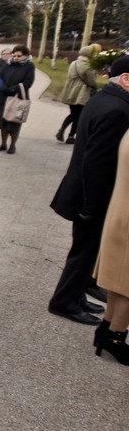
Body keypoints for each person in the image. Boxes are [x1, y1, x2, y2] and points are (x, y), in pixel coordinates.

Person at [48, 56, 129, 325]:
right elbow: (98, 163)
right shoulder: (118, 110)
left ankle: (78, 295)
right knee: (83, 253)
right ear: (126, 79)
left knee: (85, 251)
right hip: (91, 198)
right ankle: (65, 302)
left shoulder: (104, 99)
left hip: (84, 194)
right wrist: (91, 207)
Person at [93, 129, 129, 366]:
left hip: (121, 211)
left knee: (119, 280)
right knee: (126, 284)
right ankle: (115, 337)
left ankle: (106, 328)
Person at [57, 45, 101, 145]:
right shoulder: (88, 66)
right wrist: (96, 86)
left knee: (73, 114)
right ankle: (71, 136)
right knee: (79, 116)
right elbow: (92, 82)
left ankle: (61, 130)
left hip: (70, 91)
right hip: (82, 93)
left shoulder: (74, 63)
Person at [0, 45, 35, 154]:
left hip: (18, 97)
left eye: (19, 56)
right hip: (5, 96)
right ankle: (3, 143)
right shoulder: (8, 64)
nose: (16, 58)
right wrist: (3, 88)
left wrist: (14, 89)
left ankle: (12, 145)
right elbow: (1, 77)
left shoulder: (29, 66)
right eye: (14, 55)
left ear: (26, 55)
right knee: (3, 122)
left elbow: (29, 81)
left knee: (14, 123)